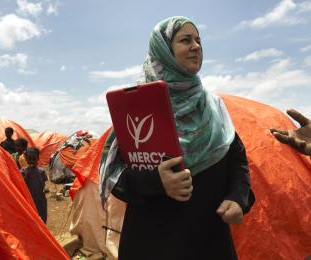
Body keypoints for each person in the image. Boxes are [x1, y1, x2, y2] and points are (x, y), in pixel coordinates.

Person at [99, 16, 255, 260]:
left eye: (199, 40)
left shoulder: (213, 107)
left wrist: (238, 198)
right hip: (152, 243)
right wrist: (156, 182)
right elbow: (115, 178)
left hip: (209, 242)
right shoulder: (137, 108)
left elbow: (237, 161)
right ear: (163, 50)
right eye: (185, 40)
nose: (196, 46)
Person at [20, 147, 48, 223]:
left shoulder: (41, 171)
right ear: (26, 159)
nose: (32, 161)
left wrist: (45, 189)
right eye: (29, 159)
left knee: (42, 217)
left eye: (34, 159)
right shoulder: (23, 172)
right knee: (32, 218)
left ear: (38, 159)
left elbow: (43, 184)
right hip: (29, 200)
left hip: (40, 199)